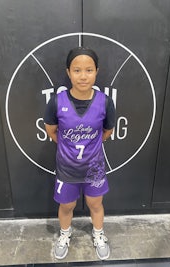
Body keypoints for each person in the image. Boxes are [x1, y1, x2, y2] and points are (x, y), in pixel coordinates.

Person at [44, 47, 115, 260]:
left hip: (94, 168)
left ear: (96, 71)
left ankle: (99, 234)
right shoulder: (57, 101)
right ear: (68, 72)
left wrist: (91, 146)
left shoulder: (105, 101)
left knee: (96, 204)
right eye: (77, 70)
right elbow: (51, 131)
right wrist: (69, 148)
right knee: (66, 206)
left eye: (89, 70)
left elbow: (107, 131)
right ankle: (65, 234)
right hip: (67, 168)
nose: (83, 76)